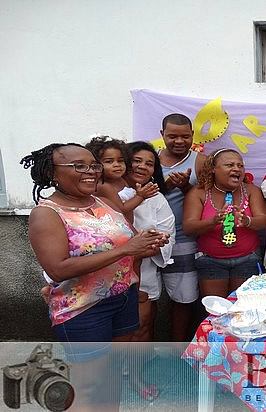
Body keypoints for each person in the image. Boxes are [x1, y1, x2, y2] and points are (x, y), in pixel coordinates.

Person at [21, 143, 168, 409]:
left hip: (122, 301)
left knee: (111, 379)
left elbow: (128, 241)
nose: (90, 172)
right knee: (88, 387)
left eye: (93, 165)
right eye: (79, 166)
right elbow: (57, 268)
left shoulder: (102, 201)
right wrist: (127, 249)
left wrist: (147, 242)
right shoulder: (47, 213)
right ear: (53, 173)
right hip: (84, 310)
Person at [121, 141, 176, 401]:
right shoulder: (107, 191)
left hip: (144, 270)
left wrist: (152, 245)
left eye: (150, 163)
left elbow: (167, 232)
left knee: (143, 324)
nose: (143, 166)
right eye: (137, 160)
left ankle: (136, 374)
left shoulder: (156, 197)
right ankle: (113, 369)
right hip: (109, 272)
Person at [183, 148, 266, 298]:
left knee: (242, 307)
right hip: (211, 261)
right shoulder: (199, 193)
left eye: (240, 165)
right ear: (213, 169)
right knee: (216, 310)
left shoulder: (251, 190)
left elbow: (263, 221)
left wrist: (248, 221)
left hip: (247, 259)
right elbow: (189, 227)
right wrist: (213, 221)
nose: (236, 169)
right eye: (229, 165)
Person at [158, 113, 206, 341]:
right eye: (172, 136)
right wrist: (165, 186)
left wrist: (187, 187)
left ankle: (179, 348)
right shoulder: (150, 160)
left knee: (184, 299)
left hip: (184, 240)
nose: (179, 141)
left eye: (185, 136)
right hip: (147, 240)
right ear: (162, 135)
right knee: (143, 299)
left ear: (192, 136)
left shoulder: (200, 161)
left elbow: (208, 201)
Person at [85, 136, 159, 222]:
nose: (117, 165)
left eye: (120, 161)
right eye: (109, 161)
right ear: (96, 165)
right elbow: (122, 209)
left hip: (128, 225)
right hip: (116, 227)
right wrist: (140, 196)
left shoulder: (120, 180)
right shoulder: (104, 186)